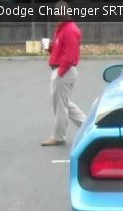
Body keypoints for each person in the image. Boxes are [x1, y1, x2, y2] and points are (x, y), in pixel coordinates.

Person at [41, 1, 86, 146]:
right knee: (64, 103)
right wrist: (50, 47)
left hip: (64, 71)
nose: (57, 14)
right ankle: (87, 125)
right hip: (62, 70)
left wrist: (60, 72)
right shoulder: (62, 29)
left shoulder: (69, 30)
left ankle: (58, 136)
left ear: (66, 12)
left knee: (60, 106)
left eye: (59, 11)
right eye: (56, 11)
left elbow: (71, 55)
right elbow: (60, 50)